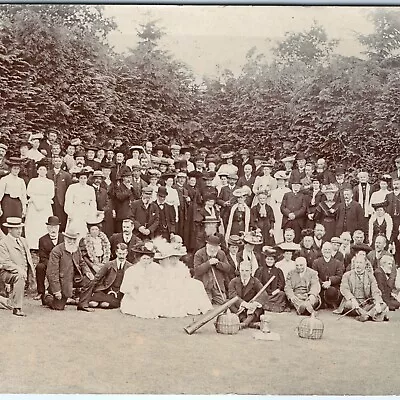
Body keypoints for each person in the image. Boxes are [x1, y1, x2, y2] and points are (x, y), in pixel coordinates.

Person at [45, 226, 95, 312]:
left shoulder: (76, 249)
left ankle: (83, 304)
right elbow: (52, 273)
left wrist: (87, 272)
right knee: (59, 307)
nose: (72, 242)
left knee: (90, 280)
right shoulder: (56, 251)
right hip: (63, 281)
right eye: (69, 239)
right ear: (65, 238)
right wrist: (57, 290)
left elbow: (82, 262)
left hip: (76, 278)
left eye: (74, 239)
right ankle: (47, 297)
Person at [335, 253, 389, 322]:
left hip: (366, 304)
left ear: (364, 264)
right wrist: (353, 299)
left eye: (360, 263)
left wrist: (378, 303)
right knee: (350, 305)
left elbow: (375, 290)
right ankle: (375, 314)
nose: (358, 265)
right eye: (356, 262)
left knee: (383, 304)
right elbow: (344, 289)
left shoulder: (370, 276)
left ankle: (365, 315)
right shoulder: (347, 275)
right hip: (351, 302)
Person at [0, 217, 35, 316]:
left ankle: (8, 302)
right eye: (17, 229)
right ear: (9, 229)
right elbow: (5, 262)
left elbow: (27, 258)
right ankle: (17, 308)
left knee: (20, 277)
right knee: (19, 277)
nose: (20, 231)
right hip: (6, 272)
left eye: (20, 228)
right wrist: (19, 270)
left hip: (21, 270)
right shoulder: (3, 243)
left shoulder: (23, 240)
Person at [83, 243, 133, 309]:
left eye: (123, 254)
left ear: (127, 253)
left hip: (118, 293)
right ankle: (97, 300)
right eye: (120, 254)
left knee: (105, 305)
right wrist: (87, 292)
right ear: (116, 253)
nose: (121, 256)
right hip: (105, 290)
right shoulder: (109, 264)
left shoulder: (130, 267)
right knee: (93, 304)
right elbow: (97, 278)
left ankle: (103, 302)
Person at [120, 243, 163, 318]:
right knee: (140, 306)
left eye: (148, 259)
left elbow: (160, 283)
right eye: (144, 259)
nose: (146, 261)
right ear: (139, 258)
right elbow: (126, 288)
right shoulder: (132, 270)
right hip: (134, 295)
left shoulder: (156, 268)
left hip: (152, 294)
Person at [25, 159, 55, 250]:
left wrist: (43, 201)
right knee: (33, 224)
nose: (42, 171)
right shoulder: (33, 181)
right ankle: (32, 245)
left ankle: (44, 245)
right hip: (34, 204)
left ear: (46, 171)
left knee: (43, 224)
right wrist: (35, 200)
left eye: (44, 170)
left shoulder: (50, 182)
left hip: (45, 204)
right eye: (40, 169)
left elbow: (51, 194)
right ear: (37, 171)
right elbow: (29, 192)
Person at [228, 261, 268, 328]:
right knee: (229, 303)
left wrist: (254, 304)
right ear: (239, 271)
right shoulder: (233, 282)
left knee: (258, 308)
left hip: (251, 309)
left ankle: (245, 323)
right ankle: (250, 324)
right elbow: (232, 295)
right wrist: (245, 304)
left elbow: (264, 294)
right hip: (239, 307)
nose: (244, 273)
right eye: (242, 270)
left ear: (250, 271)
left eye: (247, 270)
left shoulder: (255, 281)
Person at [193, 235, 231, 305]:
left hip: (218, 287)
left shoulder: (221, 253)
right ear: (207, 245)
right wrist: (208, 263)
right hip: (204, 287)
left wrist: (218, 264)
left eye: (215, 247)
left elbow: (228, 268)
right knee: (206, 305)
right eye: (211, 247)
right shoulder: (199, 254)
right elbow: (197, 271)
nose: (213, 250)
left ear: (218, 247)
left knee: (223, 305)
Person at [36, 216, 64, 303]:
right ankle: (41, 292)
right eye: (51, 227)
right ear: (47, 228)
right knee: (40, 267)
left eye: (55, 227)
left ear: (58, 228)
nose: (53, 229)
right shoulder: (42, 240)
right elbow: (42, 257)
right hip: (48, 263)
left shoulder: (64, 238)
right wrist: (52, 266)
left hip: (62, 263)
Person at [64, 168, 97, 237]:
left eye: (85, 178)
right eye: (81, 178)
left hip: (86, 211)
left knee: (85, 231)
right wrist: (70, 213)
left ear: (87, 179)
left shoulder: (90, 189)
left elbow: (93, 202)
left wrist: (92, 213)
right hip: (75, 211)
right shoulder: (72, 187)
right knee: (74, 230)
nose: (83, 180)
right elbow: (68, 201)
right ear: (78, 179)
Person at [312, 242, 345, 309]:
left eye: (329, 250)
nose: (327, 251)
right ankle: (322, 303)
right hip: (320, 286)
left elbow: (339, 276)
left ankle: (331, 303)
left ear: (332, 251)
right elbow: (314, 275)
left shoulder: (337, 263)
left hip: (333, 287)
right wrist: (322, 283)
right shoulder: (316, 262)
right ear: (322, 251)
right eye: (325, 249)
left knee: (332, 291)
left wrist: (330, 282)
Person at [254, 247, 287, 312]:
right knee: (258, 297)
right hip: (263, 293)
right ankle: (268, 304)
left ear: (274, 261)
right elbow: (256, 283)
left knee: (282, 294)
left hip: (274, 294)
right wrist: (263, 292)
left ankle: (267, 304)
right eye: (268, 259)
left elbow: (281, 284)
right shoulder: (260, 270)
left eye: (271, 259)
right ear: (265, 259)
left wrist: (276, 291)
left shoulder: (278, 271)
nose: (269, 261)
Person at [0, 157, 27, 233]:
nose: (16, 170)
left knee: (17, 223)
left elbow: (23, 195)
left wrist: (24, 208)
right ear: (11, 169)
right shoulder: (4, 179)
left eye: (18, 169)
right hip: (7, 203)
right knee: (6, 222)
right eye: (14, 168)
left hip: (17, 204)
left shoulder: (21, 181)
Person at [47, 155, 72, 231]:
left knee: (61, 217)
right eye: (56, 161)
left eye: (59, 161)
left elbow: (69, 188)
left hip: (61, 200)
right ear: (53, 162)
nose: (57, 163)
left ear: (61, 162)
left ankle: (60, 232)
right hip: (50, 199)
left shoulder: (66, 175)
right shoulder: (48, 173)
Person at [281, 177, 307, 243]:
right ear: (291, 186)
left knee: (297, 239)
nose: (296, 187)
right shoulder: (286, 195)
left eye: (298, 185)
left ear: (300, 186)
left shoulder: (303, 196)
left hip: (297, 221)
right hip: (287, 220)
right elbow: (282, 207)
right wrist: (289, 214)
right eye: (294, 185)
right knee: (287, 238)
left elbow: (303, 208)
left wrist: (295, 215)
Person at [270, 170, 291, 243]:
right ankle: (277, 242)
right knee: (277, 226)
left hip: (285, 209)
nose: (280, 182)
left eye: (282, 181)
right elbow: (272, 203)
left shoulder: (288, 191)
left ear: (285, 181)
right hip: (276, 209)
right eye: (278, 180)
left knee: (285, 225)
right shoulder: (274, 191)